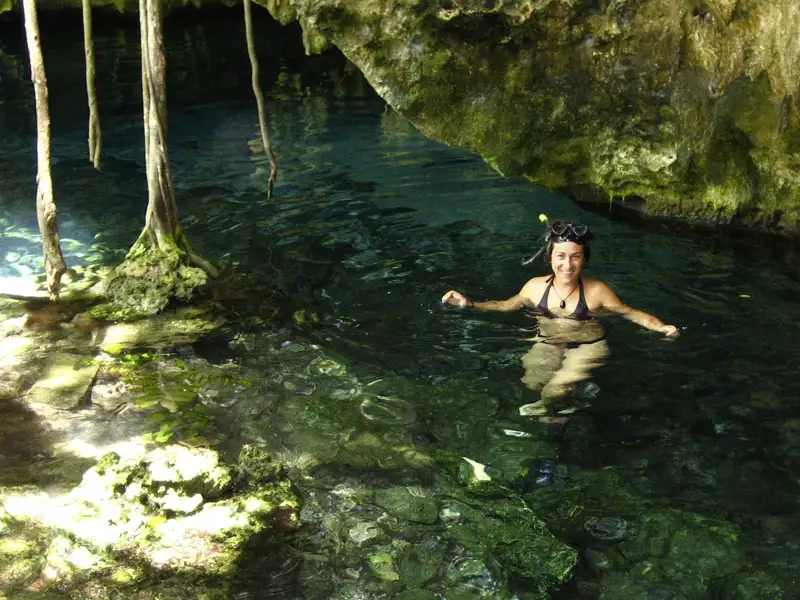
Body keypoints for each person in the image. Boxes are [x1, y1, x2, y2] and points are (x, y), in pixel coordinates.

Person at [441, 219, 678, 416]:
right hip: (548, 339)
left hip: (588, 344)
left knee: (556, 388)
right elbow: (506, 305)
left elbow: (631, 313)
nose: (567, 264)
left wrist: (660, 327)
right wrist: (469, 304)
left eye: (575, 256)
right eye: (561, 256)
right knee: (533, 383)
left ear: (584, 258)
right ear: (549, 258)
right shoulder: (534, 287)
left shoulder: (597, 291)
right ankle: (571, 401)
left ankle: (543, 411)